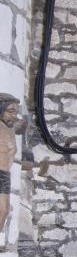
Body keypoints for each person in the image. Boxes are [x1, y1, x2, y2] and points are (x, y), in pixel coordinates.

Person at [0, 94, 22, 232]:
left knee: (4, 210)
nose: (14, 116)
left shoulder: (9, 129)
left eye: (15, 112)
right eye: (10, 111)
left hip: (4, 174)